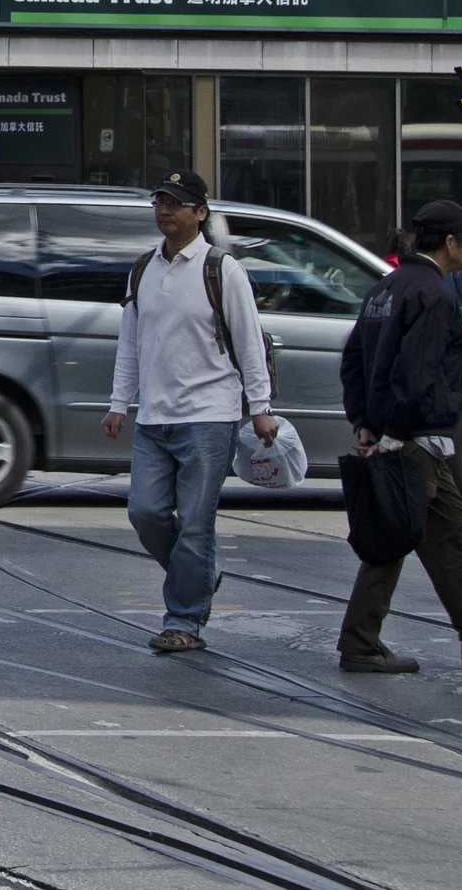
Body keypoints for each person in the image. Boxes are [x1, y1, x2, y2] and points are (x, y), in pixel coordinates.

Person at [337, 200, 462, 674]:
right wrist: (394, 432)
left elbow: (354, 361)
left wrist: (365, 420)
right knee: (392, 536)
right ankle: (360, 643)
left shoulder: (385, 288)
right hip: (413, 438)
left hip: (399, 433)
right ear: (451, 243)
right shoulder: (435, 294)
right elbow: (419, 370)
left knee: (450, 529)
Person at [101, 169, 276, 656]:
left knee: (196, 522)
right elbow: (130, 344)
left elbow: (249, 344)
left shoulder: (222, 270)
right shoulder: (143, 268)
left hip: (209, 415)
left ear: (200, 213)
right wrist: (119, 403)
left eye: (176, 204)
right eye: (160, 202)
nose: (165, 211)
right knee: (146, 513)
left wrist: (260, 409)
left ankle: (183, 620)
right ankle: (200, 575)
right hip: (154, 416)